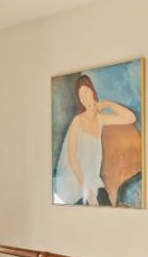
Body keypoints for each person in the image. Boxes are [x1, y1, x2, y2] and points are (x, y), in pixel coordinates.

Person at [53, 75, 136, 205]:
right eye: (81, 96)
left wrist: (108, 104)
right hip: (76, 184)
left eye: (86, 92)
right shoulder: (77, 121)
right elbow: (72, 159)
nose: (85, 98)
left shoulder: (100, 119)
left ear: (92, 91)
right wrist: (87, 190)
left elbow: (131, 118)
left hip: (94, 181)